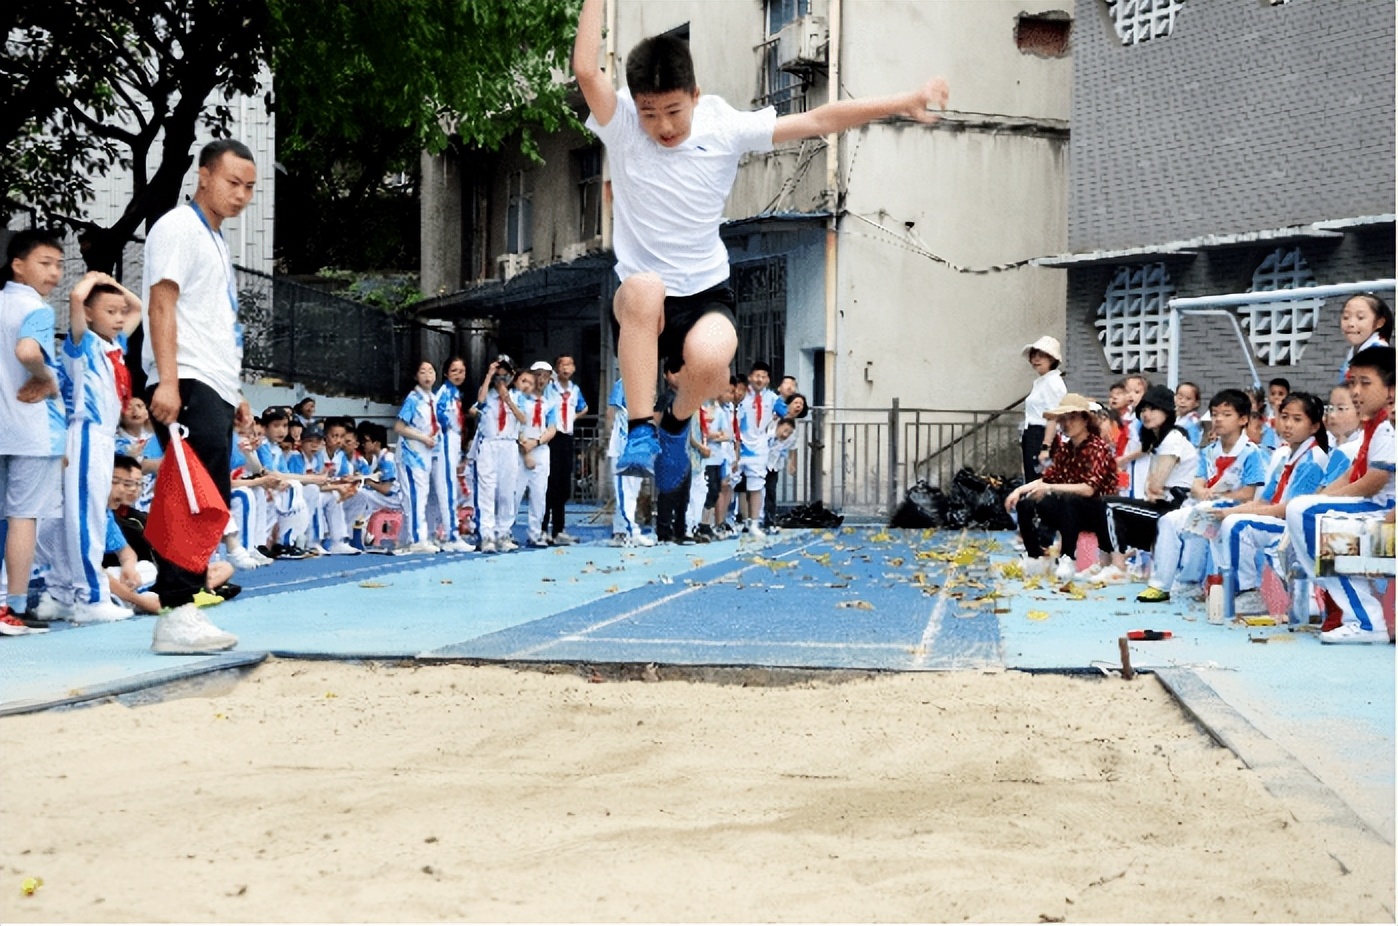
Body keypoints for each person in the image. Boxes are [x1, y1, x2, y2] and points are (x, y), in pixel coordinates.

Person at [572, 0, 948, 516]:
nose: (662, 127)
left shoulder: (722, 125)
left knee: (711, 359)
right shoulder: (620, 123)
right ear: (634, 105)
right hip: (647, 299)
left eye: (674, 112)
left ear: (695, 97)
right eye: (650, 114)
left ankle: (677, 424)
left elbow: (818, 118)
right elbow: (584, 69)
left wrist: (903, 100)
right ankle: (642, 431)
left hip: (705, 290)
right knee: (639, 288)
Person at [141, 138, 257, 653]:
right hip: (184, 377)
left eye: (250, 187)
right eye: (233, 182)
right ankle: (176, 611)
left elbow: (214, 321)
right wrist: (166, 381)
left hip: (211, 381)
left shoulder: (215, 239)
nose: (241, 194)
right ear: (204, 176)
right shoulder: (177, 227)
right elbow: (161, 304)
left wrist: (235, 394)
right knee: (192, 496)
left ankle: (185, 603)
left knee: (211, 497)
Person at [1285, 346, 1395, 643]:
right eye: (1353, 382)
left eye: (1365, 383)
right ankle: (1352, 611)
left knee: (1306, 515)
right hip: (1378, 510)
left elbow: (1374, 482)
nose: (1356, 391)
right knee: (1302, 511)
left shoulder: (1387, 426)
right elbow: (1353, 474)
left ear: (1391, 388)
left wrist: (1321, 504)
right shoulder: (1373, 426)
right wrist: (1322, 497)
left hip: (1385, 512)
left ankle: (1365, 619)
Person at [1136, 389, 1266, 604]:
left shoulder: (1251, 452)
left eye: (1226, 414)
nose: (1218, 420)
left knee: (1200, 522)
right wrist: (1202, 491)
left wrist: (1219, 494)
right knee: (1170, 520)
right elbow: (1196, 483)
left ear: (1243, 419)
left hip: (1235, 508)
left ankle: (1216, 585)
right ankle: (1164, 584)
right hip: (1208, 504)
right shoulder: (1209, 451)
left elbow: (1249, 492)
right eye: (1215, 414)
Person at [1207, 392, 1330, 616]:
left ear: (1314, 427)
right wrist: (1227, 511)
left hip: (1295, 528)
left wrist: (1234, 515)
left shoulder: (1314, 459)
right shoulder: (1286, 457)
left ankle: (1247, 593)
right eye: (1284, 417)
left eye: (1297, 419)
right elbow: (1265, 500)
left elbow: (1288, 508)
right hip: (1280, 520)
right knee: (1217, 520)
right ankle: (1218, 585)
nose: (1288, 425)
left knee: (1238, 526)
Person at [0, 229, 66, 634]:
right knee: (23, 515)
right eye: (45, 263)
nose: (55, 273)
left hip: (4, 423)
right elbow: (28, 351)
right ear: (18, 265)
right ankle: (14, 608)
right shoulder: (36, 310)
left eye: (59, 265)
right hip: (33, 425)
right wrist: (47, 377)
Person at [1078, 384, 1198, 586]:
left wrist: (1154, 490)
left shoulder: (1173, 439)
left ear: (1167, 411)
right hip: (1162, 505)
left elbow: (1155, 485)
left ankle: (1118, 567)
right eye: (1143, 409)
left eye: (1152, 409)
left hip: (1175, 510)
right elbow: (1149, 488)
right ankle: (1106, 563)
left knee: (1109, 505)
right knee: (1100, 504)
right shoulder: (1159, 441)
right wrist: (1153, 490)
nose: (1146, 414)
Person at [1004, 394, 1118, 583]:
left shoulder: (1097, 448)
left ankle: (1067, 558)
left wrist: (1050, 487)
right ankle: (1035, 557)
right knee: (1027, 504)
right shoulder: (1066, 449)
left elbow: (1088, 489)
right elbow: (1048, 478)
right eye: (1063, 419)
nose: (1066, 423)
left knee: (1068, 500)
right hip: (1072, 509)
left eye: (1072, 417)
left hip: (1099, 512)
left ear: (1085, 420)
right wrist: (1019, 491)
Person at [471, 358, 527, 553]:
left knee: (506, 491)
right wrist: (488, 376)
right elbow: (479, 401)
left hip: (508, 444)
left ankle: (504, 532)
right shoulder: (488, 395)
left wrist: (508, 400)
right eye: (498, 374)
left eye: (505, 373)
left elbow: (523, 418)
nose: (501, 377)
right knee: (487, 490)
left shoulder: (518, 396)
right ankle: (486, 534)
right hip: (489, 444)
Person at [393, 360, 442, 554]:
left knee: (423, 497)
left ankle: (411, 537)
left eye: (431, 371)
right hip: (411, 454)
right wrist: (422, 437)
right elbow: (399, 426)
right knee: (415, 497)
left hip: (426, 455)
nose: (428, 375)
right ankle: (417, 538)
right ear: (416, 376)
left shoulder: (433, 399)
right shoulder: (413, 399)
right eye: (423, 372)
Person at [542, 354, 589, 545]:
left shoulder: (575, 390)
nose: (566, 368)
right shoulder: (548, 389)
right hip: (551, 437)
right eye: (562, 364)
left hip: (567, 437)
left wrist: (572, 419)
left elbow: (584, 408)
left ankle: (559, 529)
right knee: (548, 484)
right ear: (556, 368)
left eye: (570, 364)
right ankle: (543, 528)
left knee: (563, 485)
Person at [736, 361, 786, 537]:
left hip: (759, 448)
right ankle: (728, 520)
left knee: (756, 485)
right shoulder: (741, 395)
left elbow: (787, 415)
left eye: (763, 376)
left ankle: (755, 523)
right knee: (730, 483)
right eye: (757, 376)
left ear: (768, 379)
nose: (760, 379)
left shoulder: (772, 398)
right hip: (738, 445)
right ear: (750, 377)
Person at [605, 376, 655, 548]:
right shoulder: (624, 382)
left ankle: (621, 533)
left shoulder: (646, 384)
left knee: (632, 493)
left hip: (638, 449)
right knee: (624, 492)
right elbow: (611, 413)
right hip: (623, 449)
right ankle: (631, 531)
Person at [431, 357, 473, 552]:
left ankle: (435, 532)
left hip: (454, 441)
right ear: (446, 373)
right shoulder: (444, 394)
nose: (459, 374)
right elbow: (437, 419)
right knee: (447, 487)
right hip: (445, 440)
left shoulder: (455, 393)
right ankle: (451, 535)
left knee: (445, 488)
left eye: (462, 371)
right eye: (454, 370)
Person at [514, 367, 558, 548]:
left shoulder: (549, 403)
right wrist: (526, 450)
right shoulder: (520, 400)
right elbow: (515, 426)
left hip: (540, 449)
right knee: (514, 493)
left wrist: (538, 442)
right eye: (537, 375)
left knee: (539, 495)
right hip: (520, 449)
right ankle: (505, 531)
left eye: (545, 376)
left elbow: (552, 428)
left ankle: (535, 532)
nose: (541, 379)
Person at [1021, 335, 1067, 482]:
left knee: (1040, 479)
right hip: (1032, 434)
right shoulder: (1041, 382)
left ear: (1052, 359)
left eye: (1042, 356)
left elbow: (1054, 415)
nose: (1036, 360)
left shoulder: (1053, 382)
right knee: (1031, 478)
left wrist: (1045, 447)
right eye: (1034, 355)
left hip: (1042, 435)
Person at [1336, 293, 1392, 384]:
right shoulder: (1356, 350)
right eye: (1346, 317)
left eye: (1360, 317)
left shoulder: (1378, 354)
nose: (1350, 323)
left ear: (1379, 323)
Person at [1174, 381, 1204, 446]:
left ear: (1196, 403)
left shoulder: (1193, 420)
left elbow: (1193, 442)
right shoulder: (1177, 418)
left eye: (1188, 399)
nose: (1182, 401)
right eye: (1180, 397)